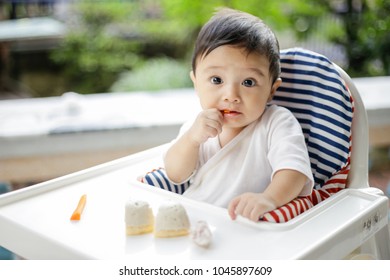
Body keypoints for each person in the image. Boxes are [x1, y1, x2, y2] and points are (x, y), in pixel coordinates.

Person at [163, 8, 314, 222]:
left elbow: (295, 171)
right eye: (216, 80)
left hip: (246, 226)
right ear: (196, 82)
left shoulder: (276, 122)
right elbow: (174, 174)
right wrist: (191, 139)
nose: (231, 96)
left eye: (248, 82)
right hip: (194, 218)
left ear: (272, 89)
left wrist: (269, 199)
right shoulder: (196, 127)